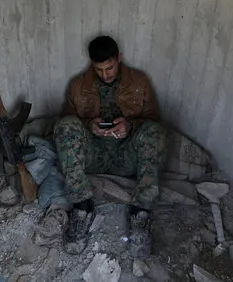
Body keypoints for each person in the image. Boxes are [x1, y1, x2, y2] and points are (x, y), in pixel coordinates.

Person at [54, 35, 167, 258]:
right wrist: (89, 124)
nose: (105, 75)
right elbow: (68, 120)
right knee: (64, 126)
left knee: (156, 133)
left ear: (120, 59)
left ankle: (140, 213)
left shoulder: (139, 82)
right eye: (99, 70)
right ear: (91, 65)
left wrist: (131, 126)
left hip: (127, 155)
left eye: (110, 67)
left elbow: (154, 120)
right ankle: (82, 206)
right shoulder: (78, 85)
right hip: (93, 155)